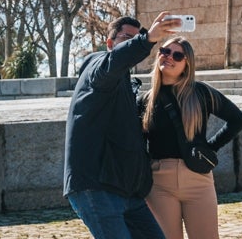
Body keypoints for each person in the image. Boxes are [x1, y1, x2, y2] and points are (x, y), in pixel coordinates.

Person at [63, 12, 181, 239]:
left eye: (135, 38)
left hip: (127, 189)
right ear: (110, 43)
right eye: (126, 39)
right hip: (97, 187)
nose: (132, 43)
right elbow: (112, 63)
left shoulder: (126, 83)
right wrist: (146, 39)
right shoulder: (97, 67)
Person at [140, 36, 242, 239]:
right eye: (164, 51)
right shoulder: (145, 100)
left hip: (198, 179)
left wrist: (211, 148)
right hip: (159, 182)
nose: (169, 57)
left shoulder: (201, 93)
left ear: (186, 64)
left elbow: (238, 120)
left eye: (177, 55)